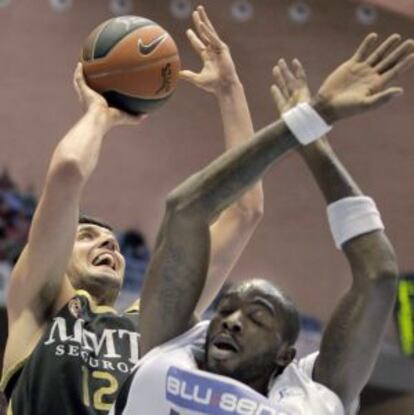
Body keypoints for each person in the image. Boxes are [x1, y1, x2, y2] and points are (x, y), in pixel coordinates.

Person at [113, 33, 414, 415]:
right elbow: (185, 210)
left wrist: (314, 143)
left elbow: (379, 277)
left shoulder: (312, 396)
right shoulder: (170, 343)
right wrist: (308, 118)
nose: (232, 322)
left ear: (285, 355)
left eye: (257, 318)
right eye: (225, 311)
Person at [0, 7, 263, 414]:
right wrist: (99, 114)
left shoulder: (156, 323)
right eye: (85, 235)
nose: (107, 240)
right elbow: (69, 170)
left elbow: (246, 211)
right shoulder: (36, 310)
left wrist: (230, 90)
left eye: (109, 240)